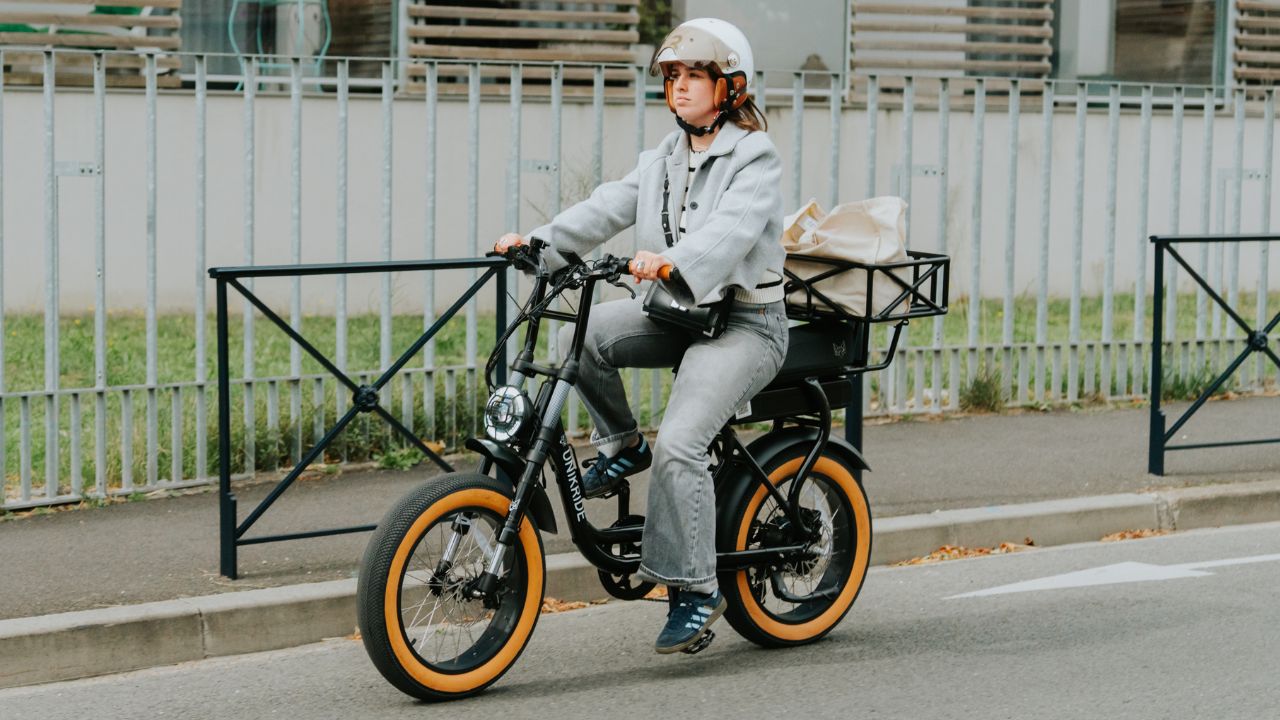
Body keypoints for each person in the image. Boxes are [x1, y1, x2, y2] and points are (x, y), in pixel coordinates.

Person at [494, 18, 787, 654]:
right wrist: (537, 245)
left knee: (682, 441)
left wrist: (675, 261)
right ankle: (623, 444)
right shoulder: (665, 155)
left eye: (695, 76)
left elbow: (730, 233)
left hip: (744, 323)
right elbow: (608, 204)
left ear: (730, 86)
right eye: (673, 76)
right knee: (587, 335)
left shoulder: (754, 157)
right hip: (680, 311)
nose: (679, 88)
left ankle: (696, 586)